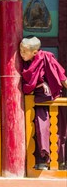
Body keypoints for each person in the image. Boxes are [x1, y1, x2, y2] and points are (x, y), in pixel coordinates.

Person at [20, 36, 67, 170]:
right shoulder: (24, 63)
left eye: (24, 51)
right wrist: (40, 85)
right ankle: (41, 161)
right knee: (39, 131)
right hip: (35, 103)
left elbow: (62, 78)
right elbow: (27, 84)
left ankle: (56, 162)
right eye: (20, 50)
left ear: (34, 52)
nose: (21, 54)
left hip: (51, 101)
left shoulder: (47, 58)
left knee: (55, 131)